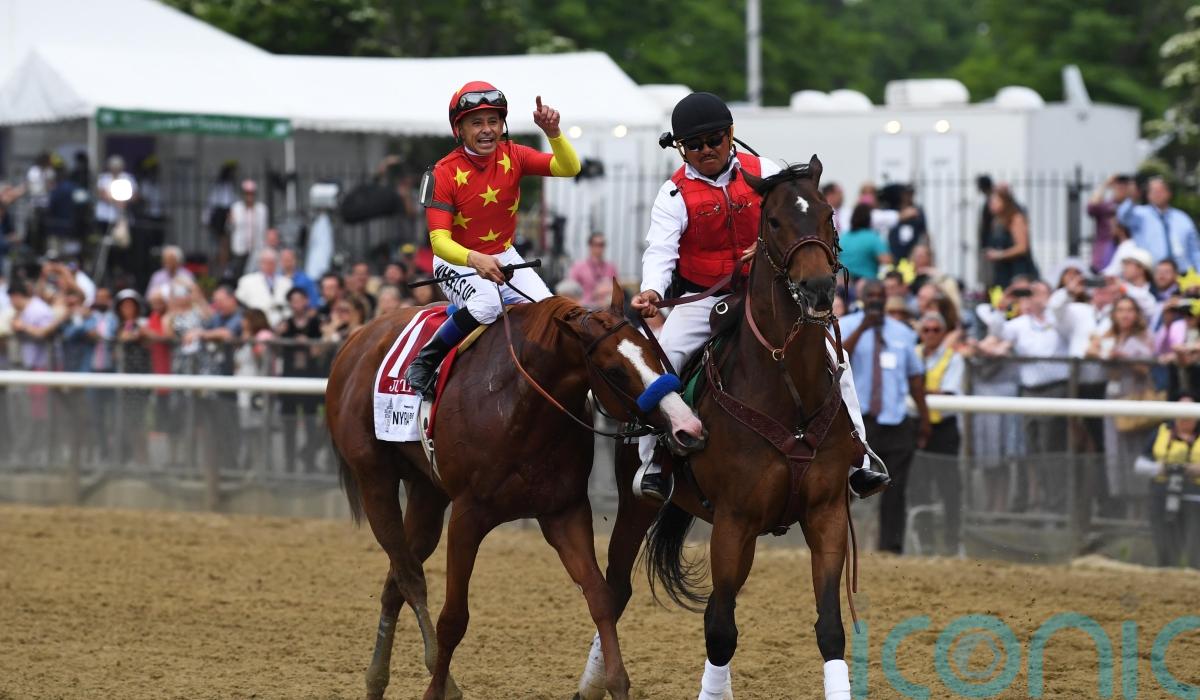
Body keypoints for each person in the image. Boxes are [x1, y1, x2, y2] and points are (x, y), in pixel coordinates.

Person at [629, 91, 890, 502]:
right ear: (680, 148)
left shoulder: (767, 171)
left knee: (834, 356)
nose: (706, 150)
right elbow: (661, 250)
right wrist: (652, 290)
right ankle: (654, 461)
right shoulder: (673, 193)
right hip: (703, 297)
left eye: (714, 140)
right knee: (663, 361)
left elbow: (798, 218)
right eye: (693, 145)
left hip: (769, 293)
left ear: (731, 133)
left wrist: (768, 245)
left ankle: (860, 455)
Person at [403, 82, 582, 397]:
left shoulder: (514, 154)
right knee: (487, 305)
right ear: (459, 129)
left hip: (504, 254)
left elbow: (569, 168)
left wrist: (553, 133)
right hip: (456, 261)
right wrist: (475, 259)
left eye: (493, 121)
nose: (487, 130)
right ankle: (424, 361)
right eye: (476, 123)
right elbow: (439, 242)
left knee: (549, 314)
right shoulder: (443, 173)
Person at [842, 280, 932, 553]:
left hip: (895, 421)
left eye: (880, 295)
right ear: (862, 297)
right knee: (846, 486)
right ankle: (836, 543)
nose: (876, 299)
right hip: (857, 423)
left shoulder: (903, 332)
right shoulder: (845, 325)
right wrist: (863, 328)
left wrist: (924, 418)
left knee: (896, 488)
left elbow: (915, 378)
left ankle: (891, 548)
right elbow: (836, 361)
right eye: (871, 295)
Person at [1088, 296, 1157, 516]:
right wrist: (1104, 354)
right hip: (1113, 397)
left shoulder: (1145, 337)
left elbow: (1147, 368)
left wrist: (1125, 358)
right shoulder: (1109, 336)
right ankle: (1124, 510)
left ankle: (1142, 511)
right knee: (1115, 453)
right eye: (1120, 310)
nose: (1125, 315)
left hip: (1136, 398)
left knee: (1136, 451)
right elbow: (1089, 350)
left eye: (1129, 310)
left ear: (1136, 314)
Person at [911, 311, 965, 555]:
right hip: (917, 428)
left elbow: (949, 393)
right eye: (926, 330)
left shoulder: (954, 358)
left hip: (944, 429)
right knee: (919, 487)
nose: (931, 334)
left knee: (950, 488)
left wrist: (918, 392)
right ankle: (926, 541)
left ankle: (952, 541)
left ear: (943, 333)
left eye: (936, 330)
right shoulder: (913, 353)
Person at [1142, 395, 1200, 568]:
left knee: (1196, 546)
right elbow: (1139, 464)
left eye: (1189, 413)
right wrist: (1160, 468)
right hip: (1162, 493)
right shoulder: (1162, 431)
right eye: (1180, 412)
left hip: (1195, 496)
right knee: (1165, 545)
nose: (1184, 418)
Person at [277, 287, 325, 473]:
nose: (297, 304)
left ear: (306, 301)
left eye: (300, 299)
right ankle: (289, 465)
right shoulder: (285, 325)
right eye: (293, 300)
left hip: (309, 378)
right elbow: (275, 348)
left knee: (311, 423)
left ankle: (309, 463)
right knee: (288, 424)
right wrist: (279, 334)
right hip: (289, 378)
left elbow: (322, 347)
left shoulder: (315, 324)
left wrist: (310, 344)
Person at [1117, 176, 1200, 274]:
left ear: (1169, 193)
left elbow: (1195, 250)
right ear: (1148, 195)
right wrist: (1132, 198)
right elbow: (1122, 217)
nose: (1157, 194)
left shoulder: (1182, 218)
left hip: (1183, 273)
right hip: (1153, 273)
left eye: (1161, 190)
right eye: (1153, 191)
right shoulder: (1139, 214)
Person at [984, 187, 1037, 289]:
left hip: (1018, 271)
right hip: (1002, 273)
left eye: (995, 201)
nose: (991, 204)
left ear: (1005, 202)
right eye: (990, 201)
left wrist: (999, 255)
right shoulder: (996, 221)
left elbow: (1022, 247)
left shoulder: (1016, 219)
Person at [235, 248, 292, 327]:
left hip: (281, 324)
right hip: (255, 324)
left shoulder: (287, 282)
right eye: (265, 262)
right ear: (260, 263)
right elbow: (240, 304)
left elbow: (290, 306)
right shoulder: (246, 281)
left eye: (272, 262)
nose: (269, 266)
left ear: (277, 264)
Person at [839, 204, 892, 282]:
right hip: (866, 282)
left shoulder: (843, 237)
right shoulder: (873, 237)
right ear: (869, 219)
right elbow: (886, 260)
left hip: (844, 281)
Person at [567, 232, 620, 309]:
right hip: (584, 308)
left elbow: (617, 291)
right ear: (590, 246)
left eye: (602, 245)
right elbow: (571, 290)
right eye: (596, 244)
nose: (599, 248)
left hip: (605, 308)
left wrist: (606, 290)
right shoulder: (578, 267)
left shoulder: (611, 268)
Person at [228, 179, 268, 278]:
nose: (249, 196)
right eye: (247, 193)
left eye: (251, 193)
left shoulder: (262, 209)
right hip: (240, 249)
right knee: (239, 274)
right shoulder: (236, 208)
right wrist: (230, 221)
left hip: (257, 248)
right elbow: (229, 229)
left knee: (254, 275)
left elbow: (264, 229)